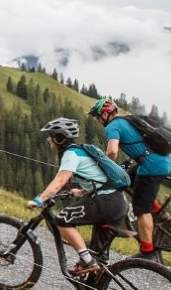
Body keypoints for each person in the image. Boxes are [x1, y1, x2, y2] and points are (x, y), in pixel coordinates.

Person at [27, 117, 130, 277]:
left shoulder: (70, 154)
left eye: (51, 135)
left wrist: (40, 199)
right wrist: (81, 191)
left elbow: (60, 180)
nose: (49, 139)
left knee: (62, 219)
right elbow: (98, 178)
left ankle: (86, 261)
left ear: (60, 138)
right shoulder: (81, 150)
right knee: (99, 256)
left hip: (107, 202)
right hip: (118, 201)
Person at [88, 97, 171, 259]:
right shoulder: (125, 121)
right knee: (126, 181)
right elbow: (139, 147)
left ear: (105, 114)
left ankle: (147, 251)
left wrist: (105, 168)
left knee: (141, 209)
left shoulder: (113, 126)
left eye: (97, 117)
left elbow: (112, 152)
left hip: (151, 165)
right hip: (161, 160)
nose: (98, 121)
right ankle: (158, 212)